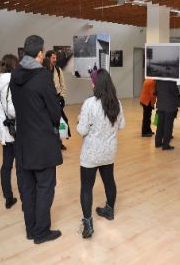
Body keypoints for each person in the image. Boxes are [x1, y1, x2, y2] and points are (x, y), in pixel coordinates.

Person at [10, 35, 63, 244]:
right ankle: (41, 232)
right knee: (45, 187)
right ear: (40, 54)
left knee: (27, 188)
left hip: (22, 143)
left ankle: (31, 230)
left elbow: (17, 106)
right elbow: (55, 112)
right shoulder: (42, 76)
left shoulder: (15, 75)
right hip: (42, 143)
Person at [77, 69, 125, 239]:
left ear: (96, 84)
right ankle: (109, 210)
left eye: (92, 81)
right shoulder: (116, 103)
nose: (91, 83)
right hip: (108, 152)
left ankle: (88, 223)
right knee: (109, 180)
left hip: (91, 153)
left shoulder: (89, 103)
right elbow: (121, 125)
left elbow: (81, 129)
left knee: (86, 187)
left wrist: (79, 121)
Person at [0, 54, 23, 209]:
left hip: (5, 131)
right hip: (15, 130)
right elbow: (12, 110)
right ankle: (25, 196)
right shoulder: (12, 82)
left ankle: (8, 197)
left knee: (6, 166)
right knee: (20, 166)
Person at [45, 50, 70, 150]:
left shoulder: (58, 70)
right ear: (48, 58)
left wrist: (62, 97)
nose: (55, 60)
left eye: (56, 58)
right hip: (47, 100)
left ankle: (59, 142)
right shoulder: (43, 71)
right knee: (48, 122)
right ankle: (49, 142)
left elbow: (63, 85)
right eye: (53, 58)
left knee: (59, 121)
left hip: (57, 99)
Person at [154, 80, 179, 150]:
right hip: (169, 107)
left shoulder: (158, 81)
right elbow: (176, 93)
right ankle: (166, 145)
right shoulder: (171, 82)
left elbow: (155, 92)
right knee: (168, 126)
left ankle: (158, 143)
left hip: (160, 106)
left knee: (160, 125)